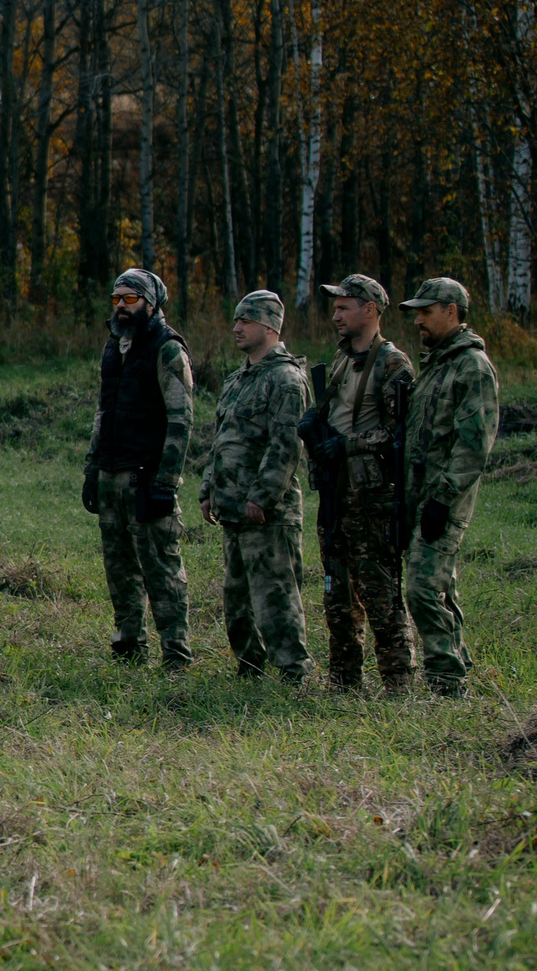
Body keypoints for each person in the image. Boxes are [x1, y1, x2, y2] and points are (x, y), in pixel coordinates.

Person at [83, 268, 195, 668]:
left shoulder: (167, 348)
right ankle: (128, 648)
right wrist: (92, 469)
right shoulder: (114, 346)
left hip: (146, 477)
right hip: (112, 472)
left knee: (162, 570)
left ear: (151, 303)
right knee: (120, 570)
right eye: (116, 299)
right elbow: (103, 412)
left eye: (130, 299)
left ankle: (176, 656)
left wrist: (166, 482)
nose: (121, 307)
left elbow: (181, 420)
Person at [309, 275, 416, 692]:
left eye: (344, 307)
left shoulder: (392, 364)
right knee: (337, 594)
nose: (335, 315)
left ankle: (398, 683)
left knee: (380, 591)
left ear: (369, 310)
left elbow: (399, 435)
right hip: (336, 493)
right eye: (334, 307)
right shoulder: (339, 362)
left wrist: (347, 445)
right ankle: (343, 681)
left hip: (371, 497)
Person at [202, 291, 312, 683]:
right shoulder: (237, 380)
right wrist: (208, 489)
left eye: (245, 321)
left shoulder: (285, 379)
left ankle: (293, 674)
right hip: (231, 509)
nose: (236, 328)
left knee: (276, 597)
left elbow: (286, 445)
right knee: (238, 599)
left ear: (269, 326)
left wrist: (262, 496)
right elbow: (222, 439)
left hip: (268, 515)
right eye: (235, 321)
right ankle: (249, 669)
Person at [399, 278, 499, 697]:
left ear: (451, 311)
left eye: (426, 311)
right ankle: (456, 660)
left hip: (445, 500)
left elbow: (475, 446)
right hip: (421, 496)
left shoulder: (471, 366)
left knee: (421, 588)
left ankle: (446, 683)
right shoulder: (437, 363)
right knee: (438, 584)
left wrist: (441, 499)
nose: (418, 319)